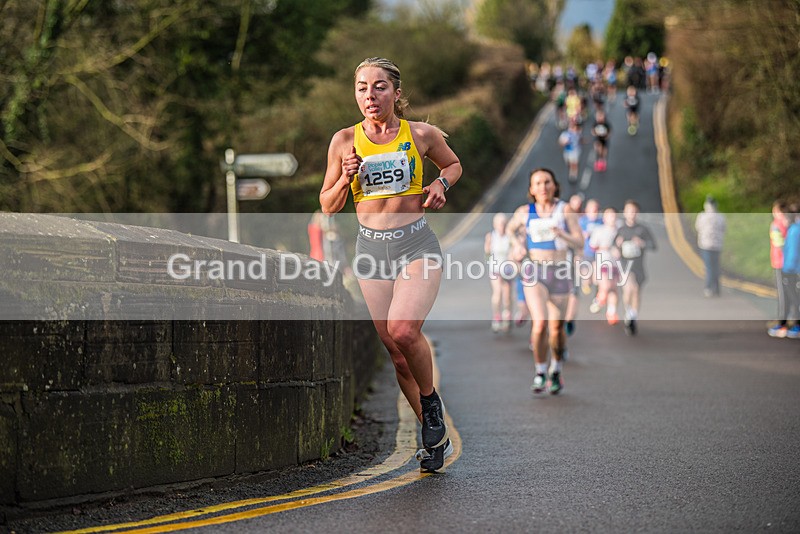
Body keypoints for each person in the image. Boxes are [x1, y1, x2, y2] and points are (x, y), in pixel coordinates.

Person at [319, 57, 462, 472]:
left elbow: (453, 165)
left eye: (379, 87)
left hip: (416, 243)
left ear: (396, 94)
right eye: (362, 87)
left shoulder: (421, 134)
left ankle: (431, 403)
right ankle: (434, 439)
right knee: (397, 354)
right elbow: (327, 206)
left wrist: (440, 183)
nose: (370, 95)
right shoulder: (344, 140)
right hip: (370, 250)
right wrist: (345, 178)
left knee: (404, 329)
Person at [507, 169, 584, 395]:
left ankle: (556, 369)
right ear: (531, 189)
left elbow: (579, 241)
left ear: (554, 185)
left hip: (560, 272)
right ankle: (540, 371)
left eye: (547, 182)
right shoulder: (524, 212)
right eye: (537, 183)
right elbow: (512, 230)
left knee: (556, 329)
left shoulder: (565, 210)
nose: (542, 187)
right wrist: (517, 245)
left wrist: (562, 234)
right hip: (534, 271)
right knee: (539, 323)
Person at [614, 200, 656, 335]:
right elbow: (613, 246)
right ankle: (629, 312)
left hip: (638, 265)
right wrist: (617, 246)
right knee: (630, 289)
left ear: (637, 213)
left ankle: (632, 316)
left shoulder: (642, 229)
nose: (631, 214)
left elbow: (653, 246)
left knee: (636, 291)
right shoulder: (621, 230)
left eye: (633, 211)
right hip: (625, 265)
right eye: (628, 211)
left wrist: (642, 243)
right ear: (624, 212)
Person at [589, 207, 622, 324]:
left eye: (614, 215)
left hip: (616, 263)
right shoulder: (599, 230)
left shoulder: (619, 230)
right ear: (604, 218)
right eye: (609, 215)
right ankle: (599, 299)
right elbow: (592, 246)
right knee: (606, 286)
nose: (612, 218)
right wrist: (606, 248)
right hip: (603, 261)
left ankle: (611, 312)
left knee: (614, 288)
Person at [485, 213, 513, 333]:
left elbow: (513, 251)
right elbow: (487, 252)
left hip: (507, 268)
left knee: (507, 296)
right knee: (498, 293)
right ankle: (497, 317)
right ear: (495, 225)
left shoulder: (510, 236)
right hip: (495, 268)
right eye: (499, 224)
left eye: (504, 223)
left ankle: (507, 315)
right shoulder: (491, 236)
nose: (502, 226)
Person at [695, 196, 727, 297]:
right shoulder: (720, 217)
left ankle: (709, 288)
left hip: (705, 245)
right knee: (716, 266)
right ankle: (717, 288)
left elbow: (698, 227)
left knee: (709, 267)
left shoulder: (702, 216)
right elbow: (724, 229)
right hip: (717, 245)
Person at [768, 200, 790, 337]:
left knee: (783, 295)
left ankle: (782, 324)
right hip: (788, 264)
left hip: (780, 263)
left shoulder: (776, 225)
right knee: (789, 294)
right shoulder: (790, 224)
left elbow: (779, 245)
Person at [780, 203, 800, 338]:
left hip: (792, 270)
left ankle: (797, 326)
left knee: (795, 298)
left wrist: (787, 270)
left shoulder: (794, 230)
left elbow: (792, 253)